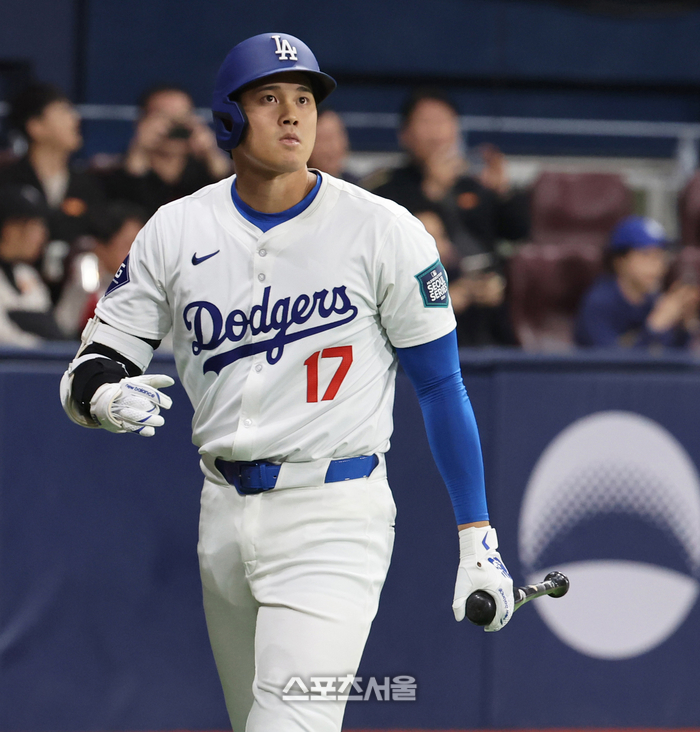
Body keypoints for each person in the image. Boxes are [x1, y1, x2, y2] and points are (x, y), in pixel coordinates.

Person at [59, 33, 513, 732]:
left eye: (305, 98)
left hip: (334, 513)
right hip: (221, 513)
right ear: (228, 118)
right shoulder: (176, 229)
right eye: (269, 97)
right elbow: (95, 362)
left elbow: (440, 386)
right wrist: (102, 397)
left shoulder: (383, 230)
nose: (293, 112)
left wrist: (477, 535)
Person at [364, 88, 529, 270]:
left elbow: (518, 233)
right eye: (426, 122)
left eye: (443, 121)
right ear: (404, 134)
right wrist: (433, 190)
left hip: (488, 281)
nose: (436, 132)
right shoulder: (386, 189)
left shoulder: (473, 183)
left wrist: (503, 192)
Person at [0, 82, 104, 301]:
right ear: (35, 126)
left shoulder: (88, 185)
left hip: (74, 299)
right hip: (12, 295)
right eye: (63, 111)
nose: (75, 119)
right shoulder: (6, 181)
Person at [102, 84, 232, 217]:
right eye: (163, 116)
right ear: (142, 122)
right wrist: (139, 149)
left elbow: (230, 196)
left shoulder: (204, 169)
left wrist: (211, 153)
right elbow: (124, 204)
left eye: (182, 117)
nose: (173, 126)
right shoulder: (114, 173)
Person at [575, 215, 699, 348]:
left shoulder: (652, 300)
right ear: (620, 261)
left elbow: (672, 356)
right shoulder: (599, 304)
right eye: (646, 255)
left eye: (661, 257)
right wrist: (655, 325)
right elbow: (610, 358)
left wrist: (683, 325)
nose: (657, 266)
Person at [415, 208, 518, 347]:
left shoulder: (460, 274)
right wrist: (442, 306)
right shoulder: (403, 286)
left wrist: (498, 297)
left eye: (442, 236)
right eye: (430, 238)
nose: (439, 246)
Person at [54, 201, 147, 338]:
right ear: (101, 247)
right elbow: (65, 325)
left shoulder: (148, 280)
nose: (135, 254)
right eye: (128, 245)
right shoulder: (87, 271)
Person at [0, 184, 64, 345]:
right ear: (10, 230)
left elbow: (52, 330)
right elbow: (7, 340)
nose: (43, 236)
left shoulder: (26, 274)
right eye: (36, 226)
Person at [307, 108, 358, 183]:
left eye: (336, 137)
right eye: (323, 139)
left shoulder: (357, 185)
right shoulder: (296, 186)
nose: (330, 148)